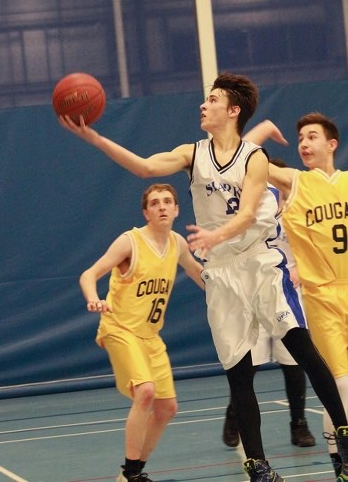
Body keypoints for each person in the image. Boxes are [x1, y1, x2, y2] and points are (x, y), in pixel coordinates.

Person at [59, 72, 348, 482]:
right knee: (239, 374)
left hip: (262, 262)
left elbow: (248, 212)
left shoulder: (255, 158)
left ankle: (344, 441)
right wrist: (96, 139)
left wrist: (217, 234)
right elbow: (144, 168)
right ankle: (258, 466)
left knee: (302, 350)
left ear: (232, 111)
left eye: (211, 99)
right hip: (223, 272)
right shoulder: (192, 153)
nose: (202, 104)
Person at [244, 113, 348, 477]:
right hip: (321, 297)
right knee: (341, 382)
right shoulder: (296, 182)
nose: (303, 143)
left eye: (312, 136)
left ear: (331, 144)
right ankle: (341, 460)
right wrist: (263, 129)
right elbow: (245, 155)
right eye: (300, 137)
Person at [78, 183, 204, 482]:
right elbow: (89, 274)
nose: (162, 206)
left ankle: (131, 473)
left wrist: (226, 295)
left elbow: (198, 273)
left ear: (176, 209)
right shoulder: (130, 242)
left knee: (167, 408)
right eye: (155, 203)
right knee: (146, 391)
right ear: (146, 212)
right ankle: (132, 474)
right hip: (119, 328)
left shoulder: (177, 244)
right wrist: (93, 297)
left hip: (150, 336)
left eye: (167, 201)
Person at [222, 160, 315, 449]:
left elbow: (314, 250)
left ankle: (298, 424)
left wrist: (302, 270)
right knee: (249, 363)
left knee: (294, 362)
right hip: (253, 294)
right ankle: (234, 413)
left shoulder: (297, 213)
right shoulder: (248, 213)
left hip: (287, 292)